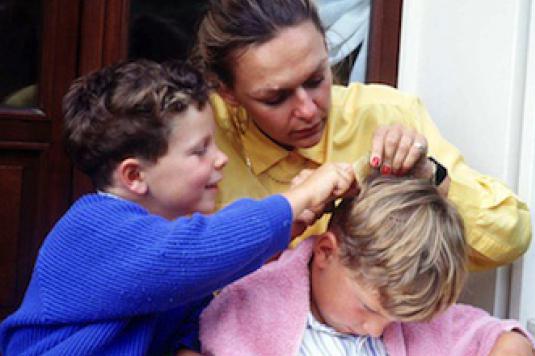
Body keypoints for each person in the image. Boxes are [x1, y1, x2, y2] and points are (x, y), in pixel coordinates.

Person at [0, 59, 357, 355]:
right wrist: (294, 202)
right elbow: (193, 252)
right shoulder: (92, 228)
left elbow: (187, 320)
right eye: (200, 150)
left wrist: (278, 241)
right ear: (135, 175)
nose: (220, 160)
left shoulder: (171, 263)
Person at [195, 0, 531, 270]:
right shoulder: (198, 137)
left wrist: (429, 176)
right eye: (276, 98)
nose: (308, 110)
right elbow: (172, 272)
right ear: (228, 94)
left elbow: (510, 236)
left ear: (327, 51)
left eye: (316, 80)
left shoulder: (383, 113)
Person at [200, 174, 535, 356]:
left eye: (396, 318)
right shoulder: (249, 310)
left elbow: (504, 340)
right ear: (326, 252)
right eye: (368, 307)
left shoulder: (403, 320)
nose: (377, 329)